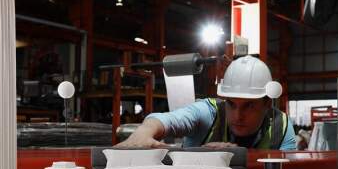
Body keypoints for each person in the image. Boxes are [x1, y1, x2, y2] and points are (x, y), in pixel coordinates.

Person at [115, 55, 296, 150]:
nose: (238, 116)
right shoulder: (208, 113)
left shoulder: (281, 127)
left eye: (249, 106)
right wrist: (145, 132)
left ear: (267, 104)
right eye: (231, 104)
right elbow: (167, 119)